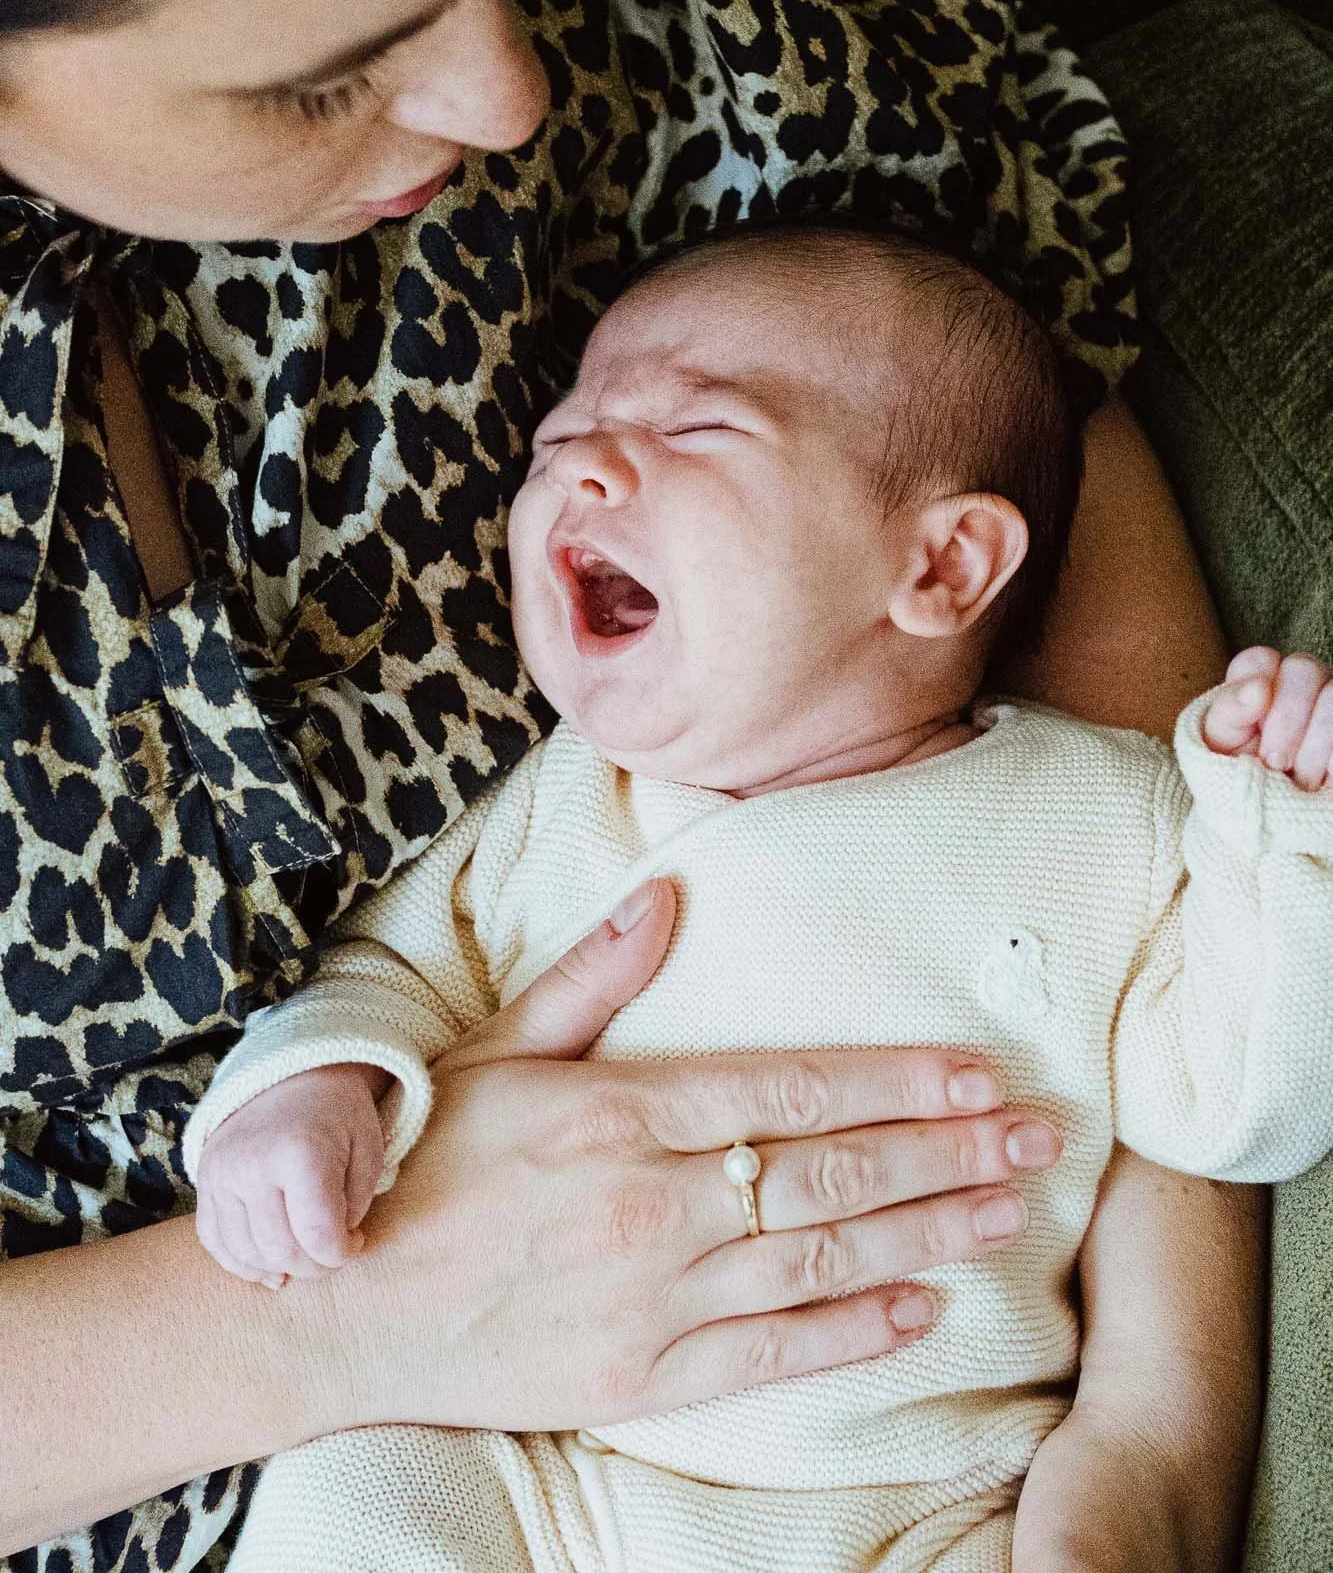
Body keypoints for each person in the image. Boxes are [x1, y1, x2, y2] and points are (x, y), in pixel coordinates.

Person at [0, 0, 1261, 1569]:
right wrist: (337, 1323)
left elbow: (1003, 437)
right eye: (333, 66)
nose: (509, 103)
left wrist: (1150, 1435)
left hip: (916, 1416)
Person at [186, 228, 1332, 1573]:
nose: (584, 464)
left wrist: (1282, 846)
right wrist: (309, 1093)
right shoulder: (563, 804)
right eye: (563, 438)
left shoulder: (1115, 818)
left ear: (945, 567)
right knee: (357, 1499)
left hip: (919, 1494)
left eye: (699, 427)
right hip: (550, 1483)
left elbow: (1241, 1108)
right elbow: (388, 974)